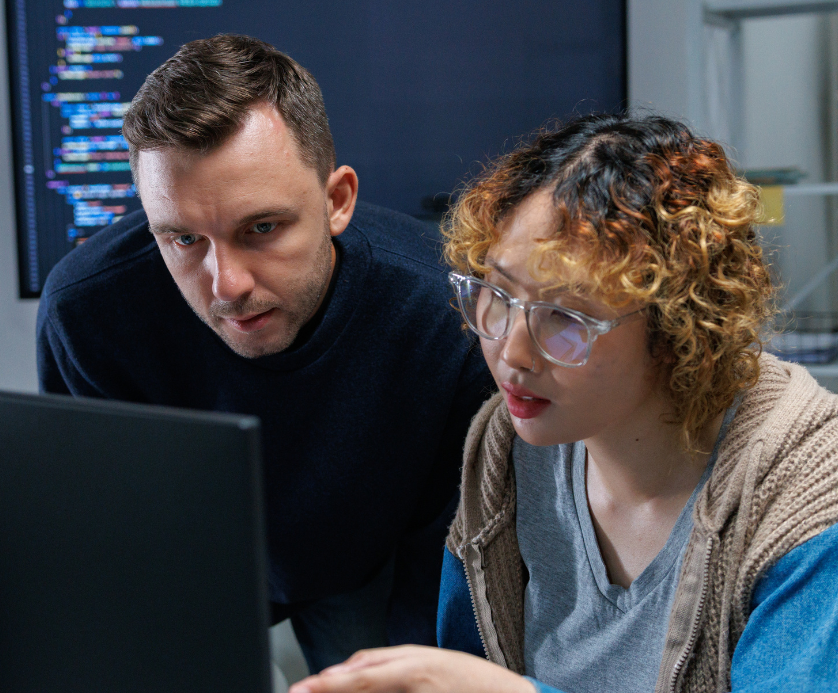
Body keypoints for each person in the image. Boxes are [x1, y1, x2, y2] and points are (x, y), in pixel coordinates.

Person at [291, 113, 838, 693]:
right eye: (497, 294)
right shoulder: (508, 448)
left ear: (677, 329)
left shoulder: (803, 481)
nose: (513, 352)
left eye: (567, 316)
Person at [36, 34, 494, 671]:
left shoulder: (442, 312)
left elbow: (445, 548)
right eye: (183, 239)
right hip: (191, 569)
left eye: (261, 228)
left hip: (363, 562)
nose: (228, 285)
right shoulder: (86, 311)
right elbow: (108, 533)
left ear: (337, 201)